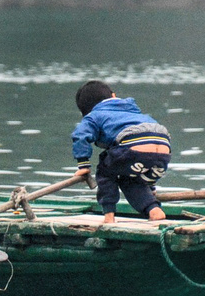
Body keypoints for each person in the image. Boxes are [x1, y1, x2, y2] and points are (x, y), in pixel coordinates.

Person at [70, 79, 170, 225]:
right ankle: (153, 209)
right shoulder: (133, 111)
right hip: (164, 146)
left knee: (105, 170)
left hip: (135, 144)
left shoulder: (94, 115)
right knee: (129, 180)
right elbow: (148, 147)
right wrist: (149, 185)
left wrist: (83, 166)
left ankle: (109, 217)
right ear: (114, 95)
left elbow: (80, 136)